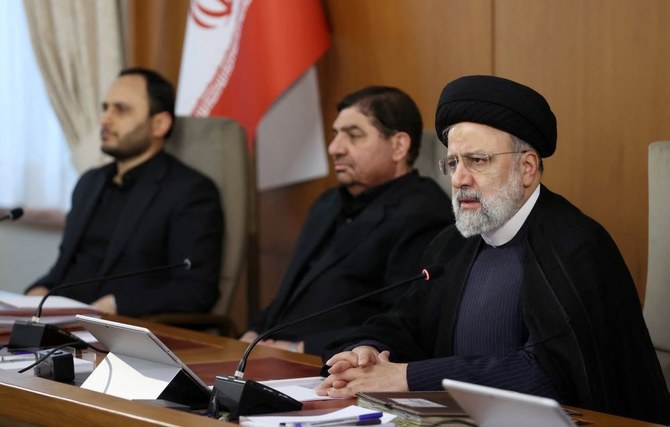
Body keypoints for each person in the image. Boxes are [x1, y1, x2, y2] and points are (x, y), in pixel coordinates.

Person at [316, 75, 670, 424]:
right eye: (453, 162)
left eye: (477, 161)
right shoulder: (452, 244)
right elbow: (408, 324)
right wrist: (367, 350)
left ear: (527, 168)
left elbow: (549, 375)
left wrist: (407, 377)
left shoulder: (575, 246)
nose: (459, 179)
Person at [240, 86, 453, 357]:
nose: (334, 148)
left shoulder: (423, 213)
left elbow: (403, 321)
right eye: (335, 135)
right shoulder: (328, 202)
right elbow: (291, 292)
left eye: (353, 135)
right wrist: (254, 333)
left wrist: (300, 348)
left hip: (335, 362)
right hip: (274, 354)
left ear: (399, 146)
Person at [25, 67, 223, 317]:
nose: (105, 119)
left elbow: (196, 290)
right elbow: (63, 271)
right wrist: (39, 291)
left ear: (159, 124)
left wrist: (118, 304)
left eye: (121, 110)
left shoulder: (191, 192)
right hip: (60, 327)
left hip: (123, 333)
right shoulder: (89, 183)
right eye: (105, 108)